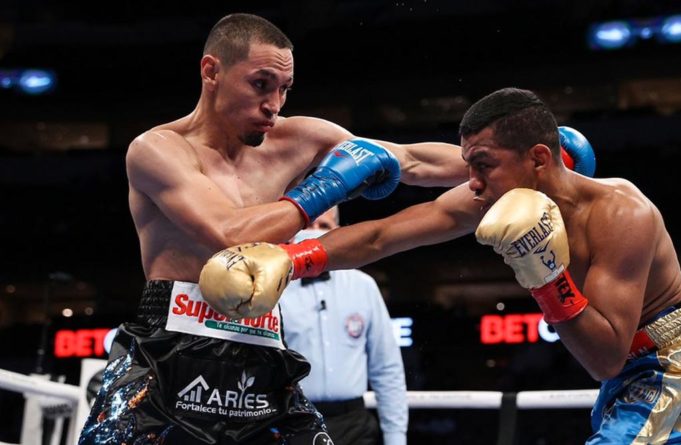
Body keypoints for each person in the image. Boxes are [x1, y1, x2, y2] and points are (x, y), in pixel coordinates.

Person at [209, 88, 681, 443]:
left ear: (538, 157)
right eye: (469, 166)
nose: (474, 183)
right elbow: (383, 235)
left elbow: (603, 356)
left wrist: (545, 276)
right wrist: (289, 257)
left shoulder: (622, 213)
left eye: (484, 165)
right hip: (632, 374)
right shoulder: (488, 198)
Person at [79, 13, 467, 445]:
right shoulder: (158, 150)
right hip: (171, 349)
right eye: (261, 84)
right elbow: (229, 235)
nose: (274, 104)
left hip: (262, 352)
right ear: (212, 71)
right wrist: (327, 187)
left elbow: (411, 161)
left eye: (284, 89)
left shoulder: (298, 139)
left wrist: (520, 161)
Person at [281, 207, 408, 445]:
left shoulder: (363, 286)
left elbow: (387, 368)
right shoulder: (274, 289)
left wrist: (396, 437)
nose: (313, 233)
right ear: (292, 231)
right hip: (293, 420)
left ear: (338, 232)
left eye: (324, 226)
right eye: (307, 225)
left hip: (354, 424)